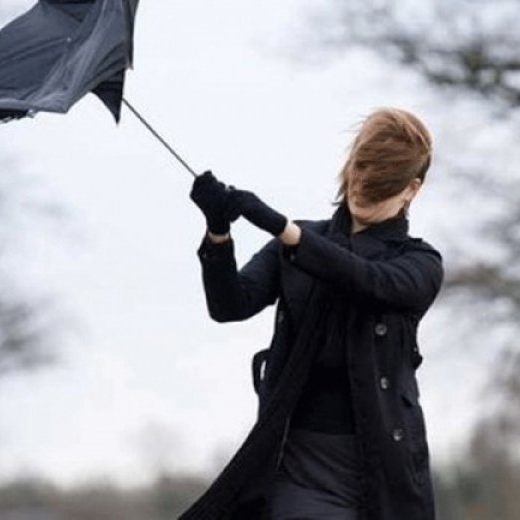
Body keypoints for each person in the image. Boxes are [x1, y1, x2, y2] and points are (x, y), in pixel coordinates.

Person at [183, 108, 443, 520]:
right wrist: (219, 232)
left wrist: (284, 230)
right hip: (299, 459)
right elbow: (230, 305)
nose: (362, 192)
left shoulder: (418, 263)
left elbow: (368, 280)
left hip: (383, 470)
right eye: (360, 176)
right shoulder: (300, 241)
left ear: (412, 189)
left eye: (380, 188)